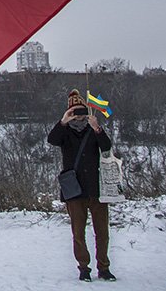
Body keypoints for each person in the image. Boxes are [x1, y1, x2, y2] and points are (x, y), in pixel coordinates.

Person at [48, 88, 115, 282]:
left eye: (81, 111)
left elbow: (106, 147)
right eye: (74, 111)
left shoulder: (92, 130)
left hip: (96, 188)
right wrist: (63, 121)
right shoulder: (65, 132)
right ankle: (84, 267)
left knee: (102, 231)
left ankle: (104, 267)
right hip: (74, 190)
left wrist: (97, 129)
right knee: (78, 232)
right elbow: (52, 140)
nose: (78, 116)